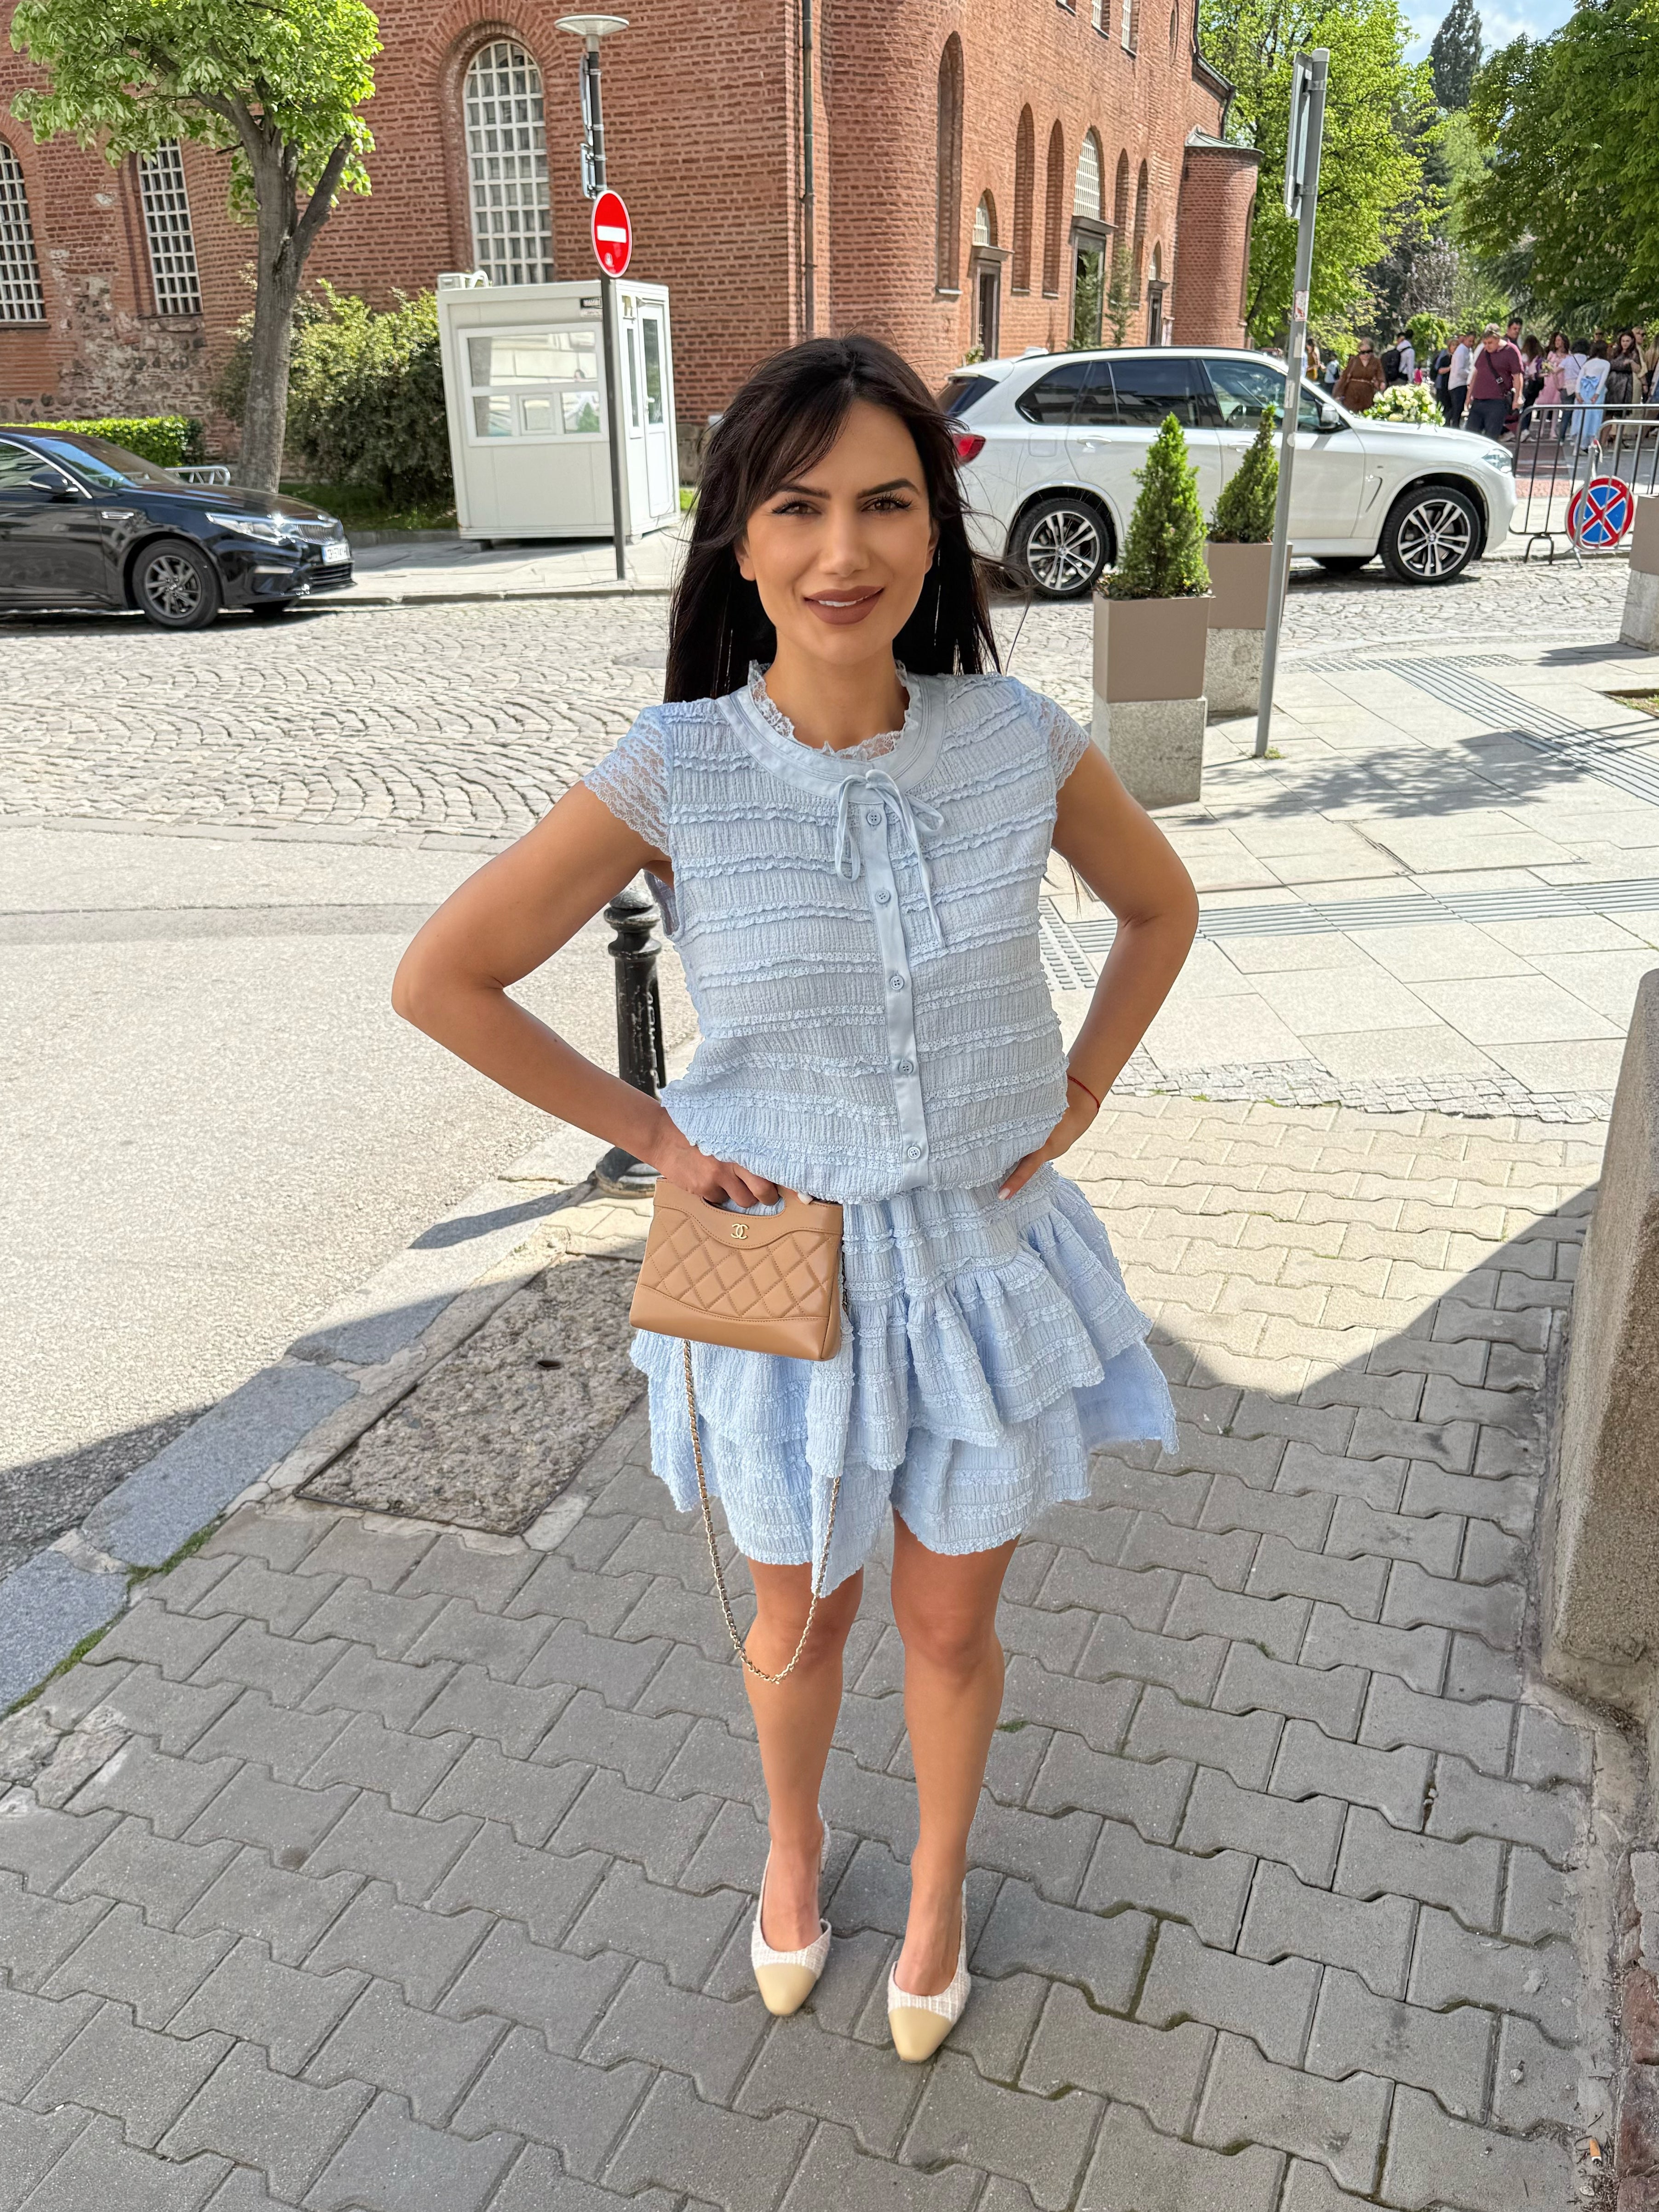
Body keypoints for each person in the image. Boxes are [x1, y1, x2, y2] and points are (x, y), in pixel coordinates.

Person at [389, 335, 1197, 2061]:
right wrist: (657, 1136)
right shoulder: (676, 766)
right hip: (774, 1271)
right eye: (798, 507)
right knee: (793, 1610)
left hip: (975, 1259)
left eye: (886, 504)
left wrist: (1075, 1094)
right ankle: (789, 1842)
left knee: (947, 1620)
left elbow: (1159, 907)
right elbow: (444, 977)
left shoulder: (1013, 738)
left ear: (935, 531)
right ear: (739, 541)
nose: (844, 549)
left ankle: (936, 1886)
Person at [1464, 322, 1523, 439]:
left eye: (1490, 343)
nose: (1487, 346)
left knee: (1490, 438)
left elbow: (1517, 376)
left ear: (1498, 339)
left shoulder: (1511, 350)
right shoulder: (1484, 351)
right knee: (1471, 437)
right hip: (1478, 401)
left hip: (1497, 402)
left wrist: (1518, 397)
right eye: (1485, 343)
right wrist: (1468, 396)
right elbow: (1477, 372)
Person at [1573, 338, 1611, 451]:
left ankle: (1578, 446)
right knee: (1595, 419)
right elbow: (1603, 380)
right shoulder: (1606, 363)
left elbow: (1579, 379)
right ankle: (1592, 445)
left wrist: (1577, 392)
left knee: (1581, 418)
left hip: (1584, 391)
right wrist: (1597, 394)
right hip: (1596, 393)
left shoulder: (1588, 363)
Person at [1336, 339, 1387, 413]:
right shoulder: (1354, 361)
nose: (1366, 355)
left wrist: (1382, 383)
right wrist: (1339, 394)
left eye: (1369, 352)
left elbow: (1380, 374)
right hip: (1352, 393)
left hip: (1367, 394)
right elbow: (1345, 377)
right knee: (1350, 412)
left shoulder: (1376, 362)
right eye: (1363, 352)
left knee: (1365, 413)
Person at [1607, 328, 1642, 409]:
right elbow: (1610, 364)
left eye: (1627, 341)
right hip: (1612, 382)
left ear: (1632, 341)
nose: (1625, 343)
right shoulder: (1616, 351)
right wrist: (1622, 364)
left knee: (1622, 409)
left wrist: (1631, 362)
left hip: (1625, 383)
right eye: (1623, 341)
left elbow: (1638, 369)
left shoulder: (1634, 353)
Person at [1446, 330, 1475, 426]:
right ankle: (1451, 426)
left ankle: (1450, 425)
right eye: (1470, 341)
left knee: (1458, 409)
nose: (1471, 344)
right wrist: (1471, 375)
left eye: (1473, 341)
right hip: (1458, 384)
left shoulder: (1468, 351)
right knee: (1457, 410)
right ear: (1465, 339)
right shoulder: (1461, 351)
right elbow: (1460, 370)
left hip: (1462, 384)